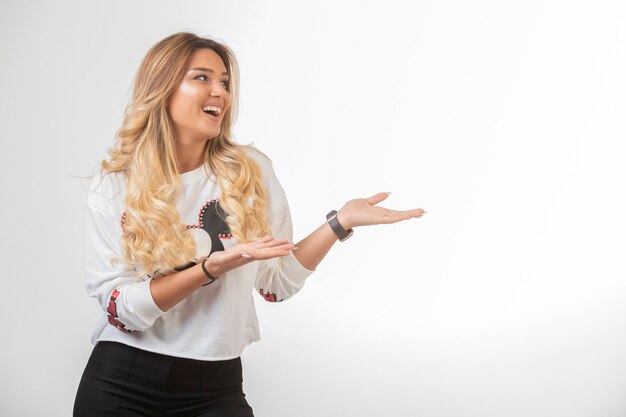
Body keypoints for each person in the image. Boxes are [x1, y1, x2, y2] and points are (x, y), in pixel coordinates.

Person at [72, 31, 426, 417]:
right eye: (202, 78)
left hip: (216, 386)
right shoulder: (117, 183)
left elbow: (277, 284)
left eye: (224, 82)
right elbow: (120, 309)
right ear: (163, 87)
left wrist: (340, 222)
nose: (220, 92)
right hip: (125, 380)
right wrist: (208, 269)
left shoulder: (249, 172)